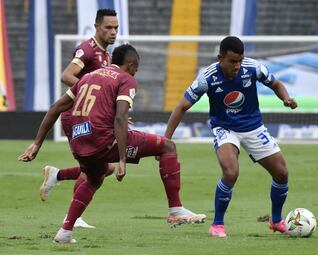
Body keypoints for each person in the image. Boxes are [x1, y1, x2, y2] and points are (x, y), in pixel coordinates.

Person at [18, 44, 206, 243]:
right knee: (168, 146)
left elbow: (56, 108)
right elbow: (120, 118)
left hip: (78, 140)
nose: (136, 73)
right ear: (131, 65)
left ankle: (65, 231)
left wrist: (37, 143)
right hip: (103, 140)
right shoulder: (127, 79)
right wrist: (123, 158)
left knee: (94, 177)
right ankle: (175, 210)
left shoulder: (88, 77)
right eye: (136, 69)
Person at [164, 36, 298, 238]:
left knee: (282, 173)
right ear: (220, 58)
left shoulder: (253, 68)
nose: (237, 66)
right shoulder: (207, 78)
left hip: (253, 127)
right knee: (231, 172)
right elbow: (182, 106)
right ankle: (217, 224)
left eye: (240, 61)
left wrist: (286, 98)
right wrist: (166, 139)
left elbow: (276, 84)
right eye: (232, 61)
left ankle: (276, 220)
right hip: (225, 128)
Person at [41, 8, 119, 228]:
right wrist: (87, 91)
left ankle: (57, 178)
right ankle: (71, 217)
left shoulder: (106, 55)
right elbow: (67, 75)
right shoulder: (87, 49)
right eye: (108, 28)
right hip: (77, 116)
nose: (113, 32)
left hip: (89, 117)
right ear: (97, 27)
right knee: (98, 167)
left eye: (116, 28)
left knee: (104, 168)